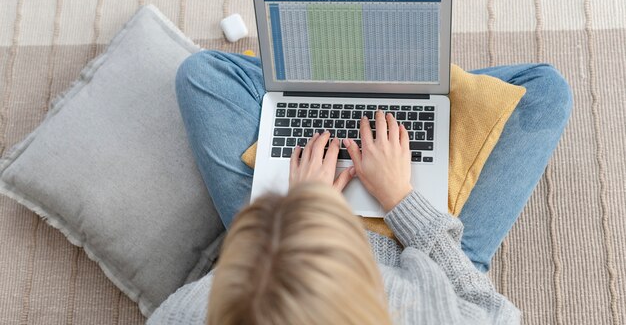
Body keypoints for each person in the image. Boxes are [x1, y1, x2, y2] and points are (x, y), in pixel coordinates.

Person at [147, 50, 573, 324]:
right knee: (543, 90)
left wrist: (304, 212)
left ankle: (342, 94)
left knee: (205, 74)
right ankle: (396, 87)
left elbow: (234, 277)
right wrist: (401, 198)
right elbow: (493, 313)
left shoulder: (186, 316)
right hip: (419, 248)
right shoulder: (420, 312)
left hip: (274, 242)